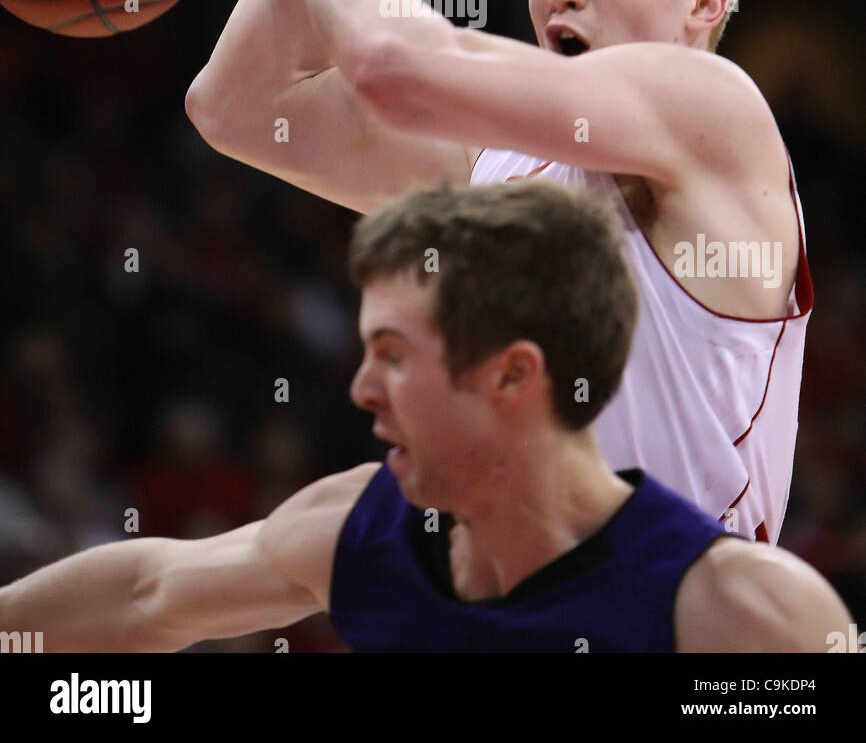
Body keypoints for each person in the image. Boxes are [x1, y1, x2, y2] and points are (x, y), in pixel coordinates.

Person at [186, 0, 811, 544]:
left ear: (706, 3)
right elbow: (238, 108)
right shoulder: (501, 165)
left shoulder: (717, 107)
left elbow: (392, 63)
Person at [0, 181, 846, 653]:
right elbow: (150, 593)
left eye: (396, 355)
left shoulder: (741, 616)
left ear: (513, 376)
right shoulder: (359, 532)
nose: (362, 386)